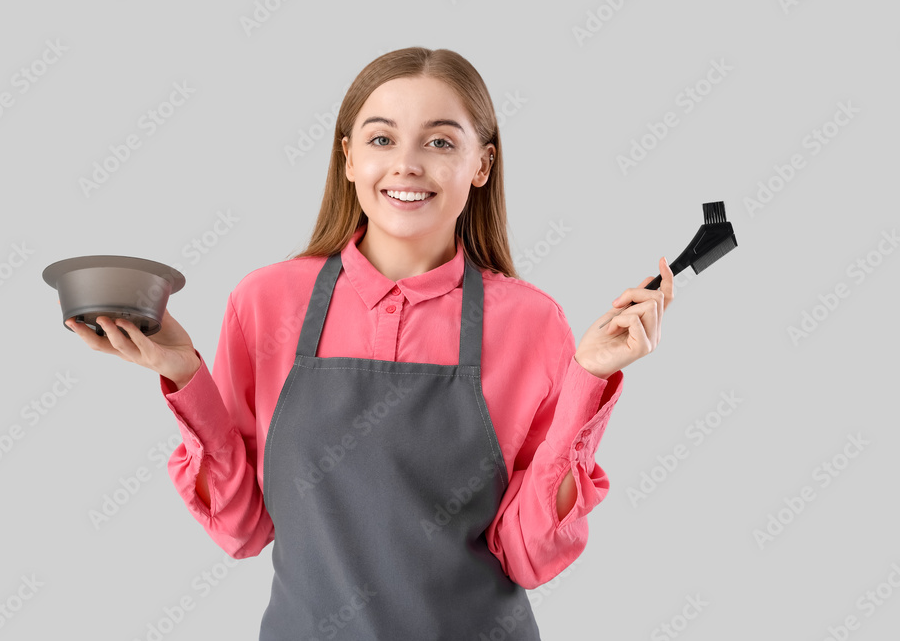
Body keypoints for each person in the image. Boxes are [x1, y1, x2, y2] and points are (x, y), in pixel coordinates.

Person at [65, 46, 674, 639]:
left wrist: (588, 379)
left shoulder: (531, 322)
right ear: (349, 157)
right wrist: (186, 377)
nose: (407, 164)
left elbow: (529, 556)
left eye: (440, 142)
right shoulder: (267, 302)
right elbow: (241, 529)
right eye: (382, 139)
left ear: (481, 166)